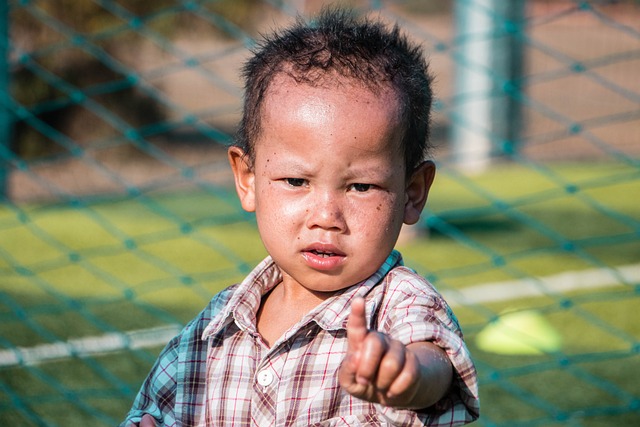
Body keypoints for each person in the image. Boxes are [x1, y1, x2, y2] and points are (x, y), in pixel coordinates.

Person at [121, 8, 479, 427]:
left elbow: (432, 362)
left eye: (361, 187)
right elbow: (155, 411)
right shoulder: (216, 326)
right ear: (247, 179)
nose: (326, 216)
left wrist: (403, 373)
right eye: (295, 180)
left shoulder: (397, 303)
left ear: (412, 193)